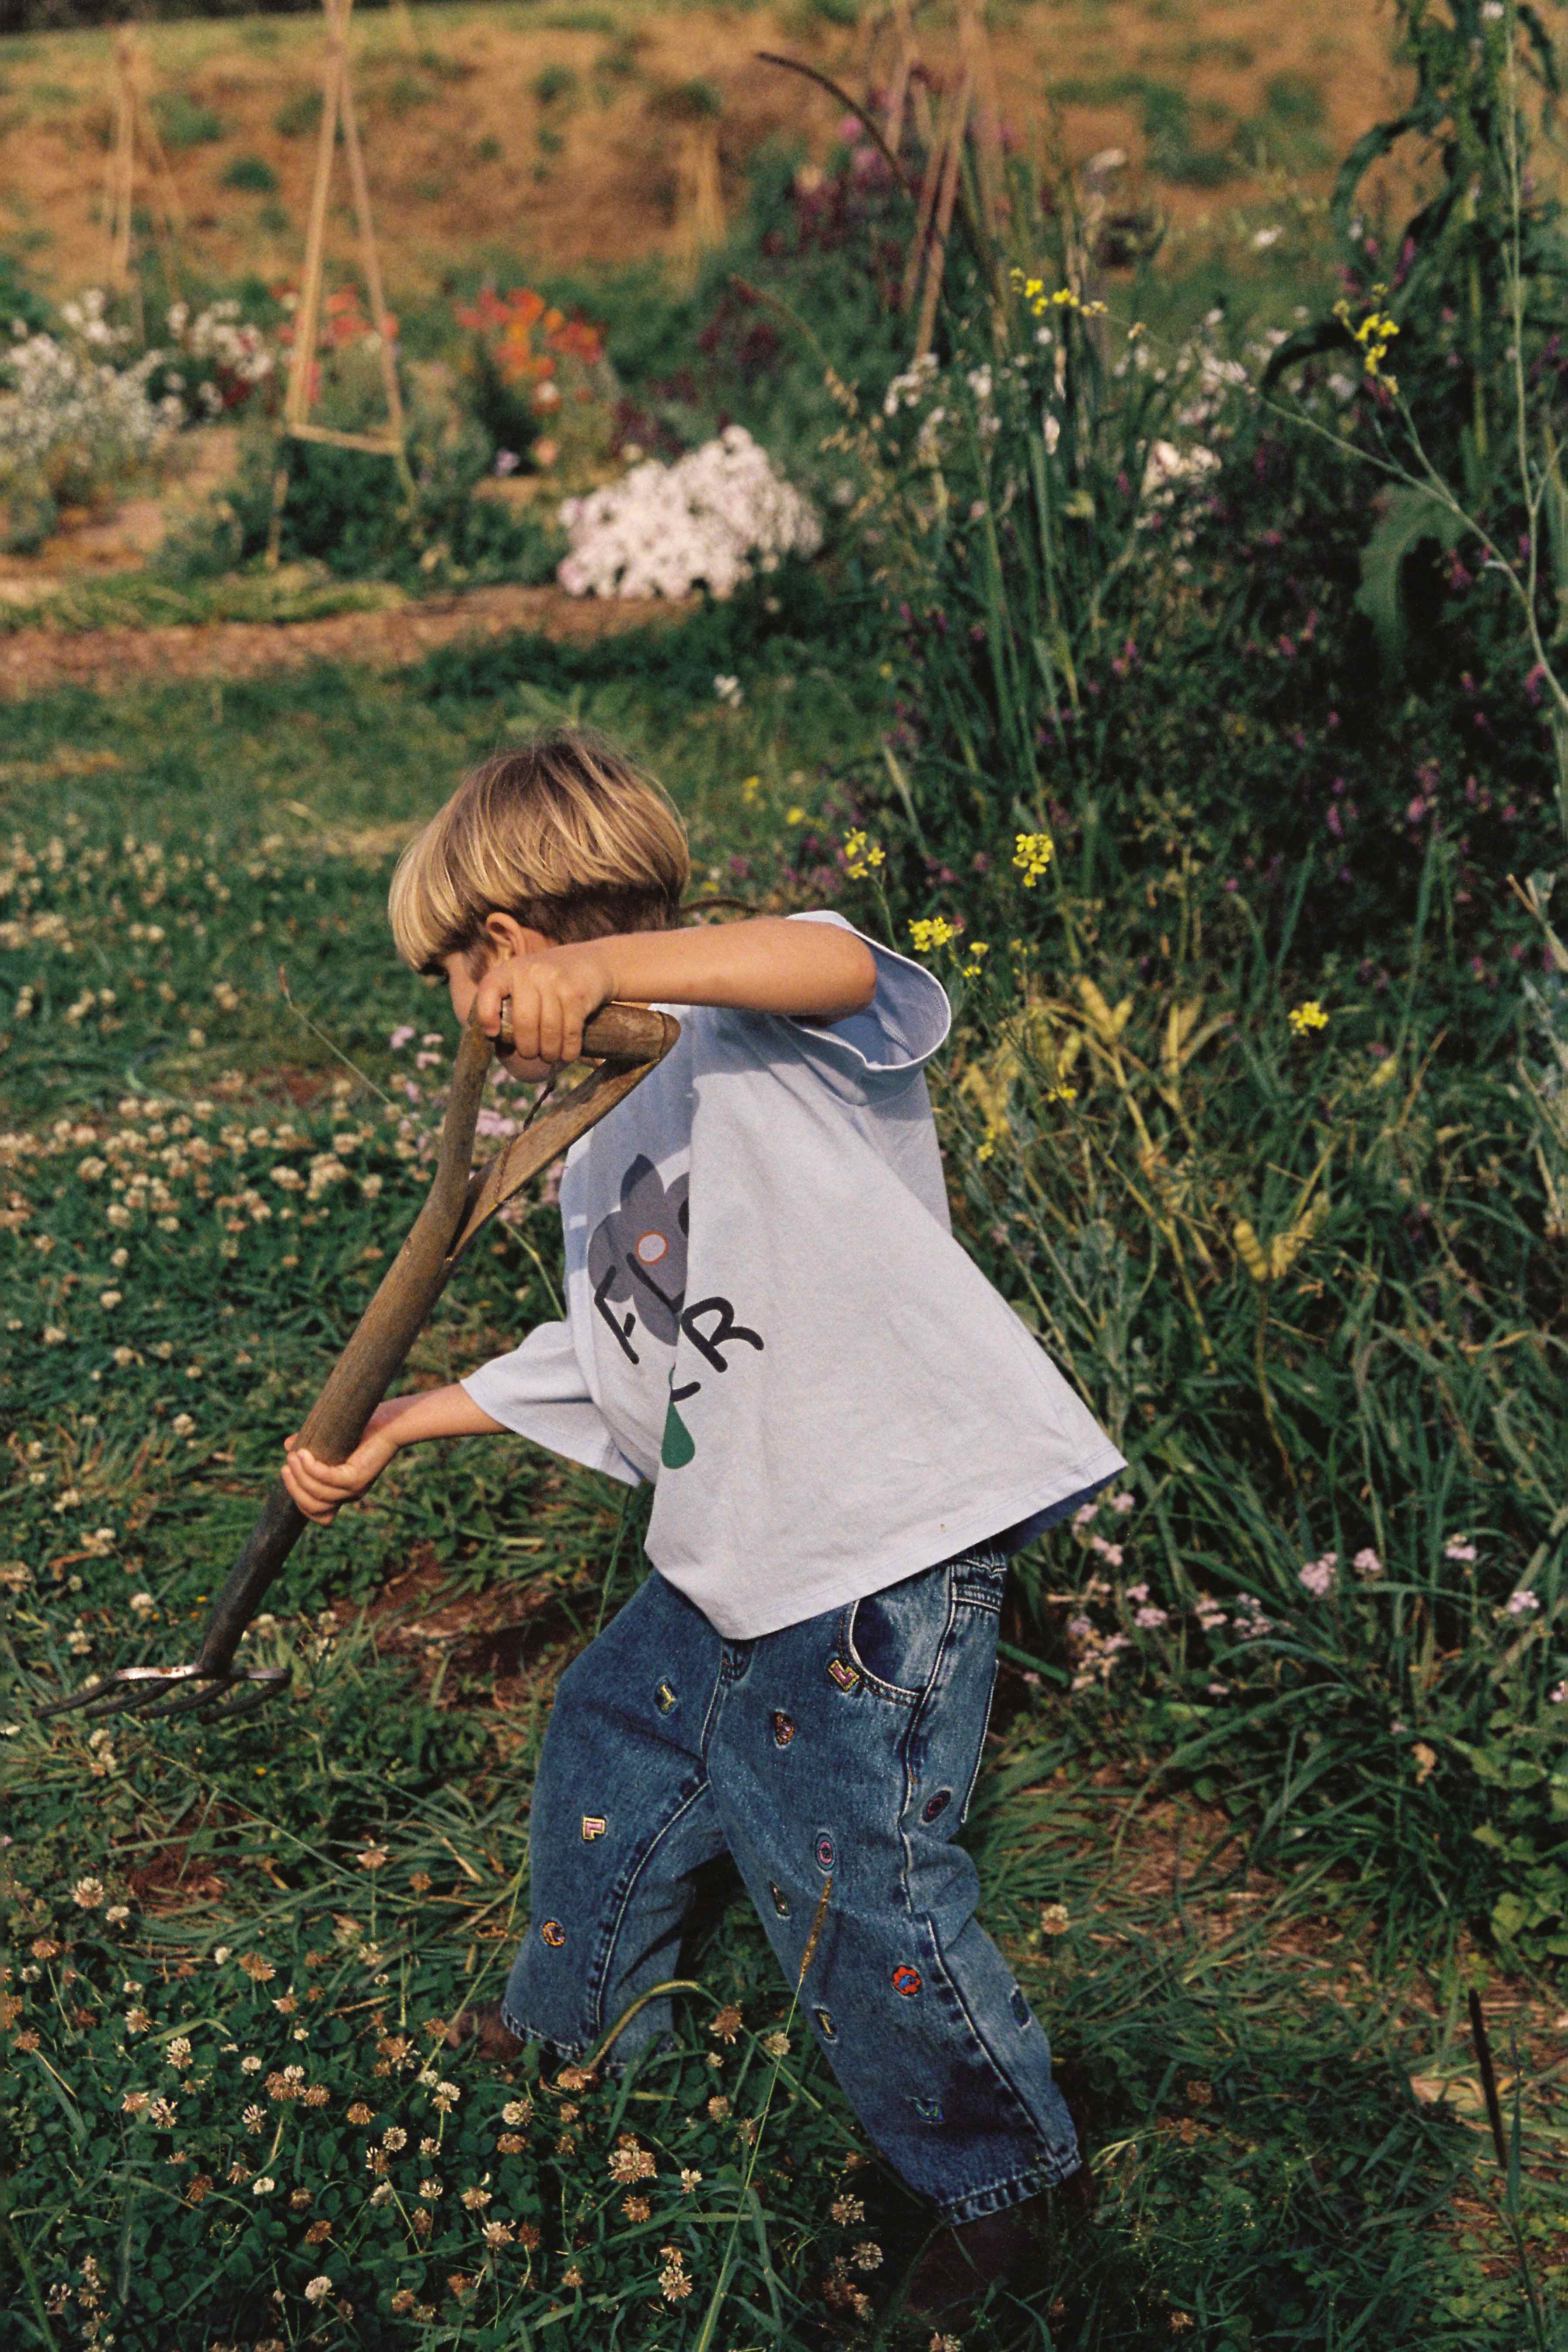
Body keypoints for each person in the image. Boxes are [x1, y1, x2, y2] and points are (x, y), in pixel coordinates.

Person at [280, 730, 1125, 2317]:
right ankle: (573, 2030)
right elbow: (629, 1365)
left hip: (880, 1545)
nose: (468, 1015)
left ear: (520, 943)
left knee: (851, 1869)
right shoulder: (594, 1139)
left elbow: (828, 955)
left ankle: (1000, 2179)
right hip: (737, 1546)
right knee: (612, 1738)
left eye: (467, 974)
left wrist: (622, 962)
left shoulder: (750, 1032)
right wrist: (414, 1414)